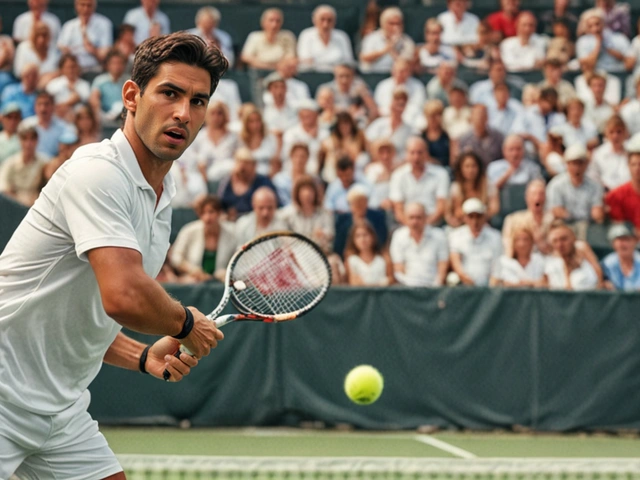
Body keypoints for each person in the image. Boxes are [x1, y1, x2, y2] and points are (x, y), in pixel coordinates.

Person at [1, 33, 229, 479]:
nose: (184, 112)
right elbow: (123, 296)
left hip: (59, 414)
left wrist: (143, 357)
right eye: (170, 93)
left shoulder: (165, 194)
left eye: (198, 101)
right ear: (131, 95)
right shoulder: (98, 172)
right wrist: (186, 323)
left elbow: (82, 317)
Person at [170, 195, 236, 283]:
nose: (207, 217)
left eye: (211, 212)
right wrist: (191, 269)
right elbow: (176, 257)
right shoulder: (189, 230)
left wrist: (227, 273)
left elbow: (239, 259)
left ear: (219, 213)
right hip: (193, 283)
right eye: (203, 213)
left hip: (222, 283)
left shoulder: (232, 232)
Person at [546, 144, 605, 239]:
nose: (577, 168)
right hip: (563, 225)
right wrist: (575, 217)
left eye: (580, 163)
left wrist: (599, 213)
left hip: (587, 226)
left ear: (586, 164)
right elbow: (557, 210)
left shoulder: (595, 186)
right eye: (573, 163)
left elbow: (597, 213)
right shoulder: (556, 184)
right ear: (567, 164)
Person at [389, 136, 449, 225]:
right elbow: (398, 210)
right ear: (406, 154)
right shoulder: (398, 175)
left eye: (420, 152)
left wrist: (424, 226)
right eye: (412, 153)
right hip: (407, 224)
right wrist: (413, 226)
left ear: (426, 153)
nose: (416, 157)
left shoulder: (440, 174)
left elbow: (441, 207)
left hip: (434, 224)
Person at [389, 202, 449, 287]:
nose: (415, 221)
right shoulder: (398, 236)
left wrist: (435, 288)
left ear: (425, 218)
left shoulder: (439, 236)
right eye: (411, 217)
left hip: (433, 288)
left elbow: (442, 265)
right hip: (407, 289)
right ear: (405, 218)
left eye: (418, 217)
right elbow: (398, 267)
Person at [449, 198, 503, 286]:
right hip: (464, 288)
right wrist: (471, 286)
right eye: (471, 217)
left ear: (484, 217)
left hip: (488, 288)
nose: (475, 221)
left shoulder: (495, 237)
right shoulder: (456, 236)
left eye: (478, 216)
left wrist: (490, 293)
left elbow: (497, 268)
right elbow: (457, 266)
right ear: (464, 218)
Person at [218, 147, 278, 221]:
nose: (242, 168)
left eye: (246, 163)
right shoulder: (226, 182)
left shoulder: (264, 183)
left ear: (254, 166)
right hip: (230, 222)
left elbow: (274, 206)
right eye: (239, 162)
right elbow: (219, 205)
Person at [281, 175, 334, 255]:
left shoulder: (325, 214)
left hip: (319, 254)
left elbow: (330, 234)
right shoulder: (287, 215)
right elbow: (283, 236)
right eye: (303, 191)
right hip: (296, 254)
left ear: (315, 193)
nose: (307, 194)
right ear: (297, 194)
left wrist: (323, 234)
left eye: (310, 190)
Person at [333, 184, 388, 262]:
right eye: (356, 202)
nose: (359, 205)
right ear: (350, 205)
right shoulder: (342, 220)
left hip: (373, 254)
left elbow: (382, 240)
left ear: (367, 203)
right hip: (349, 256)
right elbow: (338, 245)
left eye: (362, 202)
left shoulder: (378, 217)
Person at [189, 100, 239, 185]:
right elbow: (192, 159)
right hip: (204, 180)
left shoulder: (233, 137)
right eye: (212, 113)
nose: (216, 117)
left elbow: (240, 157)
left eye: (219, 113)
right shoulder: (199, 137)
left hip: (229, 180)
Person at [502, 179, 555, 256]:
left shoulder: (553, 219)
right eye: (533, 194)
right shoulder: (512, 220)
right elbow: (508, 247)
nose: (537, 198)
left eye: (541, 194)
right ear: (526, 197)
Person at [0, 120, 48, 206]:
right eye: (24, 138)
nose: (28, 144)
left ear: (37, 140)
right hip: (13, 208)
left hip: (36, 207)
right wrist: (22, 203)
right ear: (19, 140)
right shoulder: (9, 164)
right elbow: (4, 190)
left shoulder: (45, 162)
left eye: (32, 139)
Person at [57, 0, 114, 72]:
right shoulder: (68, 26)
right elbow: (62, 51)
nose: (85, 9)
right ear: (76, 6)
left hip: (94, 69)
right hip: (72, 71)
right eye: (82, 5)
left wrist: (92, 49)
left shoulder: (104, 24)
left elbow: (104, 56)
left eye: (89, 5)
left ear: (94, 6)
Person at [447, 151, 499, 228]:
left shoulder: (489, 186)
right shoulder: (456, 188)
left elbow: (494, 209)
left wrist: (478, 218)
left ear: (479, 167)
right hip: (462, 225)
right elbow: (456, 212)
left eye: (473, 166)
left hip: (485, 225)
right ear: (461, 168)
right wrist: (469, 219)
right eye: (467, 166)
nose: (470, 170)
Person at [543, 221, 600, 290]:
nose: (559, 245)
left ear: (573, 238)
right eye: (555, 241)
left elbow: (597, 269)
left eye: (563, 239)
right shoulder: (551, 263)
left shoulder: (582, 249)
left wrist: (601, 284)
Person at [297, 5, 354, 73]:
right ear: (314, 20)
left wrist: (317, 61)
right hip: (312, 75)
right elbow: (305, 61)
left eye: (329, 20)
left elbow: (348, 62)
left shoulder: (342, 36)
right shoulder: (306, 35)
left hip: (337, 77)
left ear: (334, 22)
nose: (325, 24)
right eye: (322, 19)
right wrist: (334, 63)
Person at [359, 7, 415, 73]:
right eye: (391, 23)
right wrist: (385, 50)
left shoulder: (407, 41)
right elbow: (364, 58)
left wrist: (392, 49)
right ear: (383, 23)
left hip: (394, 77)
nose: (395, 27)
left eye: (398, 23)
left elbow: (407, 65)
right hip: (373, 74)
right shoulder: (371, 38)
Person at [576, 8, 632, 74]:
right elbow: (587, 67)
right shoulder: (582, 41)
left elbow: (630, 63)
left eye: (597, 24)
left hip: (618, 73)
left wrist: (608, 47)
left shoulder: (619, 38)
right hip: (596, 76)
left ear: (603, 23)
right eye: (590, 26)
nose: (595, 29)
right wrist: (598, 44)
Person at [364, 87, 413, 161]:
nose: (398, 108)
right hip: (377, 165)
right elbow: (368, 144)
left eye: (402, 105)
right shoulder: (378, 125)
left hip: (398, 167)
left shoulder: (410, 131)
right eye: (396, 103)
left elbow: (408, 155)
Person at [282, 99, 328, 177]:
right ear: (300, 116)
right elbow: (288, 155)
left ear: (316, 115)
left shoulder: (324, 133)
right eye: (304, 115)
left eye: (310, 115)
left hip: (318, 175)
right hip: (293, 174)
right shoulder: (291, 133)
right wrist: (310, 138)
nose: (307, 118)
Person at [374, 58, 425, 126]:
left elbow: (417, 106)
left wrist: (402, 117)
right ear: (392, 71)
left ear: (409, 72)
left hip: (411, 119)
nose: (400, 73)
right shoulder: (383, 85)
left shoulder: (418, 86)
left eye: (403, 71)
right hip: (387, 119)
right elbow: (379, 107)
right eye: (397, 70)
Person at [319, 111, 367, 183]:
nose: (344, 127)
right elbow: (324, 149)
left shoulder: (359, 136)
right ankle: (332, 181)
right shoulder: (333, 138)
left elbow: (358, 154)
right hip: (338, 167)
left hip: (356, 167)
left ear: (351, 124)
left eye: (346, 124)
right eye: (341, 125)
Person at [605, 136, 640, 233]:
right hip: (628, 241)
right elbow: (619, 226)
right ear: (628, 166)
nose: (637, 169)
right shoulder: (616, 195)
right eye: (634, 164)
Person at [23, 90, 73, 158]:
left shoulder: (63, 128)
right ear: (35, 107)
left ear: (53, 106)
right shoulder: (26, 125)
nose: (43, 108)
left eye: (46, 104)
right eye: (39, 104)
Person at [345, 220, 394, 286]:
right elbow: (353, 282)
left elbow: (391, 280)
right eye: (358, 236)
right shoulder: (351, 260)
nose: (362, 239)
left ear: (372, 237)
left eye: (365, 235)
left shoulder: (384, 259)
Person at [588, 114, 630, 191]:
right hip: (606, 194)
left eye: (619, 132)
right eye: (611, 132)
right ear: (606, 134)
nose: (615, 136)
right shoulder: (598, 154)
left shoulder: (632, 152)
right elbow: (593, 177)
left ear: (625, 133)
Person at [46, 53, 91, 121]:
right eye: (67, 67)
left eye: (73, 67)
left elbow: (80, 98)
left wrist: (63, 106)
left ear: (77, 67)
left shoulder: (84, 85)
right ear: (62, 69)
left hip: (79, 121)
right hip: (57, 118)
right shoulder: (52, 85)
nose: (71, 70)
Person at [238, 104, 280, 177]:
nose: (255, 125)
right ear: (246, 124)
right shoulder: (241, 141)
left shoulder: (269, 139)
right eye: (251, 121)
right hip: (249, 177)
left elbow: (275, 162)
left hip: (269, 175)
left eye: (257, 121)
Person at [90, 49, 128, 124]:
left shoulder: (129, 80)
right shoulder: (100, 80)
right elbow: (94, 99)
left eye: (120, 63)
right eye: (114, 63)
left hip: (125, 117)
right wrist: (99, 114)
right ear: (108, 65)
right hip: (106, 117)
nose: (117, 66)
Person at [601, 223, 640, 291]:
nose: (623, 244)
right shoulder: (606, 264)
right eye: (620, 240)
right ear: (613, 244)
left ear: (635, 241)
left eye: (627, 239)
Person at [420, 100, 450, 168]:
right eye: (431, 116)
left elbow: (452, 161)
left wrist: (433, 161)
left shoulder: (447, 136)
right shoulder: (421, 137)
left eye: (438, 115)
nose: (434, 119)